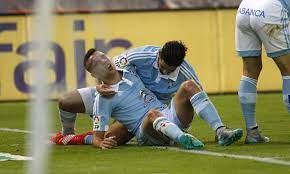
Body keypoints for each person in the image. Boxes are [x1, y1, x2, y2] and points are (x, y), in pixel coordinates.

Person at [53, 41, 243, 146]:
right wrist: (100, 85)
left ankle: (221, 132)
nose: (165, 72)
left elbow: (198, 96)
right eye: (162, 67)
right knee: (105, 134)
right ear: (158, 55)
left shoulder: (130, 72)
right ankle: (68, 135)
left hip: (163, 112)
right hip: (144, 122)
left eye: (104, 56)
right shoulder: (135, 60)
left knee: (188, 87)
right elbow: (104, 67)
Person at [236, 0, 290, 144]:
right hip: (272, 7)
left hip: (246, 8)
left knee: (250, 70)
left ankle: (252, 133)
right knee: (288, 70)